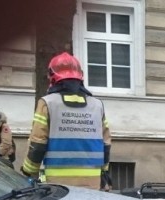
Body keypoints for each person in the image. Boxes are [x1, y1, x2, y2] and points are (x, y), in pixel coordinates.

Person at [21, 52, 111, 189]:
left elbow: (38, 144)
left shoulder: (47, 103)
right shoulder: (97, 105)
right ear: (80, 76)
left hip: (58, 185)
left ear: (52, 77)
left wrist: (28, 172)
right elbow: (106, 144)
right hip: (92, 182)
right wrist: (104, 170)